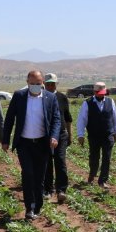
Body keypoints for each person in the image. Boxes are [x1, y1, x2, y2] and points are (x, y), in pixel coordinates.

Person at [1, 70, 61, 220]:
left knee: (39, 177)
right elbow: (9, 118)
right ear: (27, 82)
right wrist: (5, 139)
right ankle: (30, 207)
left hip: (42, 143)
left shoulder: (50, 97)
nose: (35, 86)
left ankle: (38, 206)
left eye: (38, 83)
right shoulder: (19, 96)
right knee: (27, 174)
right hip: (24, 143)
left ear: (43, 83)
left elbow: (56, 119)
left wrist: (54, 136)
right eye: (32, 83)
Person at [77, 82, 116, 189]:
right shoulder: (87, 103)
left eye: (103, 93)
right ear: (95, 92)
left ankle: (103, 180)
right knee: (94, 157)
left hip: (108, 134)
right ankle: (92, 175)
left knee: (107, 157)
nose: (102, 95)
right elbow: (82, 120)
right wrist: (80, 135)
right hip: (94, 135)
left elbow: (115, 117)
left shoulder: (110, 102)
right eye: (100, 93)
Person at [42, 73, 72, 203]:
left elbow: (67, 117)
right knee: (47, 162)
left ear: (56, 84)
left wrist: (70, 134)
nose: (50, 86)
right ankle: (48, 190)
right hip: (45, 135)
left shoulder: (61, 97)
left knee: (60, 161)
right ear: (44, 84)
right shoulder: (40, 97)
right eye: (47, 83)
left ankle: (61, 190)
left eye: (52, 83)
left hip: (61, 134)